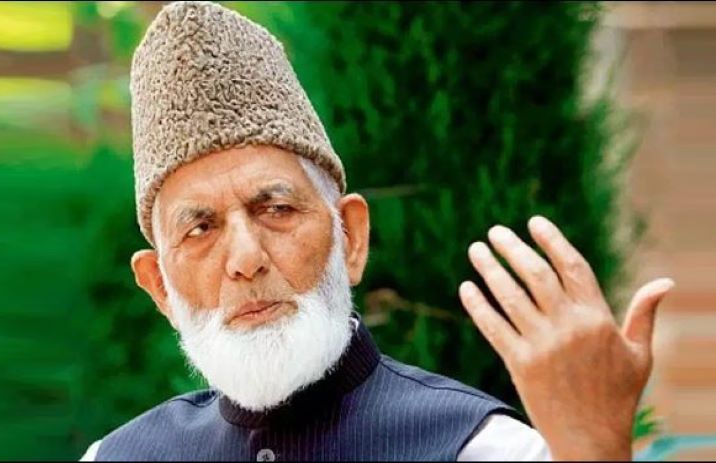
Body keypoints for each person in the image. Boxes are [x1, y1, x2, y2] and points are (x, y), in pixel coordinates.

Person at [81, 1, 675, 460]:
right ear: (158, 285)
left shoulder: (479, 449)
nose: (245, 258)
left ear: (351, 236)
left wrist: (595, 449)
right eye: (200, 228)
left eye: (276, 209)